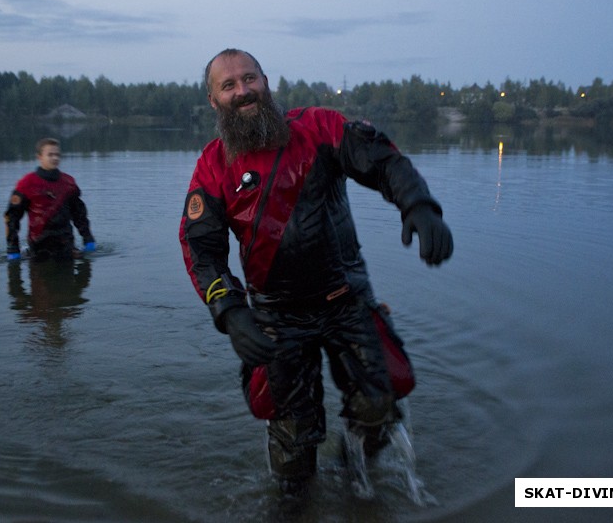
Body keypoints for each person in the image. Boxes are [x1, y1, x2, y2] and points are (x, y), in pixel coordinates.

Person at [179, 49, 453, 496]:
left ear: (266, 82)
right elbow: (201, 246)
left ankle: (356, 476)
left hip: (346, 298)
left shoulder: (319, 127)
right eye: (228, 86)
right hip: (276, 316)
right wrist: (229, 310)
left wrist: (419, 206)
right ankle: (295, 502)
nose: (242, 91)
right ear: (214, 100)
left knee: (378, 402)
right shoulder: (213, 165)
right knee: (292, 443)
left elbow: (384, 161)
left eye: (250, 79)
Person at [4, 138, 96, 262]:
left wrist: (88, 238)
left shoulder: (68, 183)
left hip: (65, 245)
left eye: (57, 155)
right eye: (50, 155)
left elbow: (79, 214)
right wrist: (12, 248)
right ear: (40, 157)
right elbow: (12, 217)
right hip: (38, 247)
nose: (55, 158)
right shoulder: (26, 184)